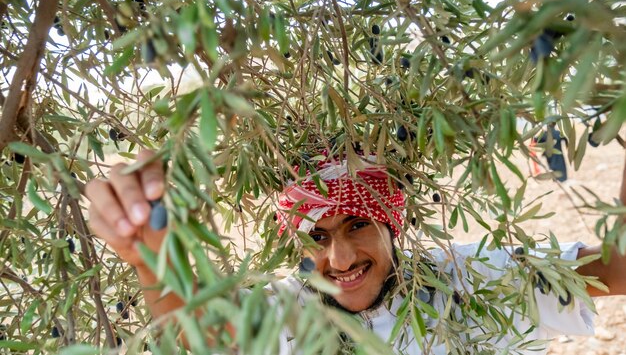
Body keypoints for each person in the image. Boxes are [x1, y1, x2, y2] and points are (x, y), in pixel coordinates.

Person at [86, 150, 626, 354]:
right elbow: (204, 335)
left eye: (357, 224)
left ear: (394, 223)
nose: (340, 259)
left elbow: (613, 269)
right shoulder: (290, 306)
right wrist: (151, 257)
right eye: (317, 238)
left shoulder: (466, 277)